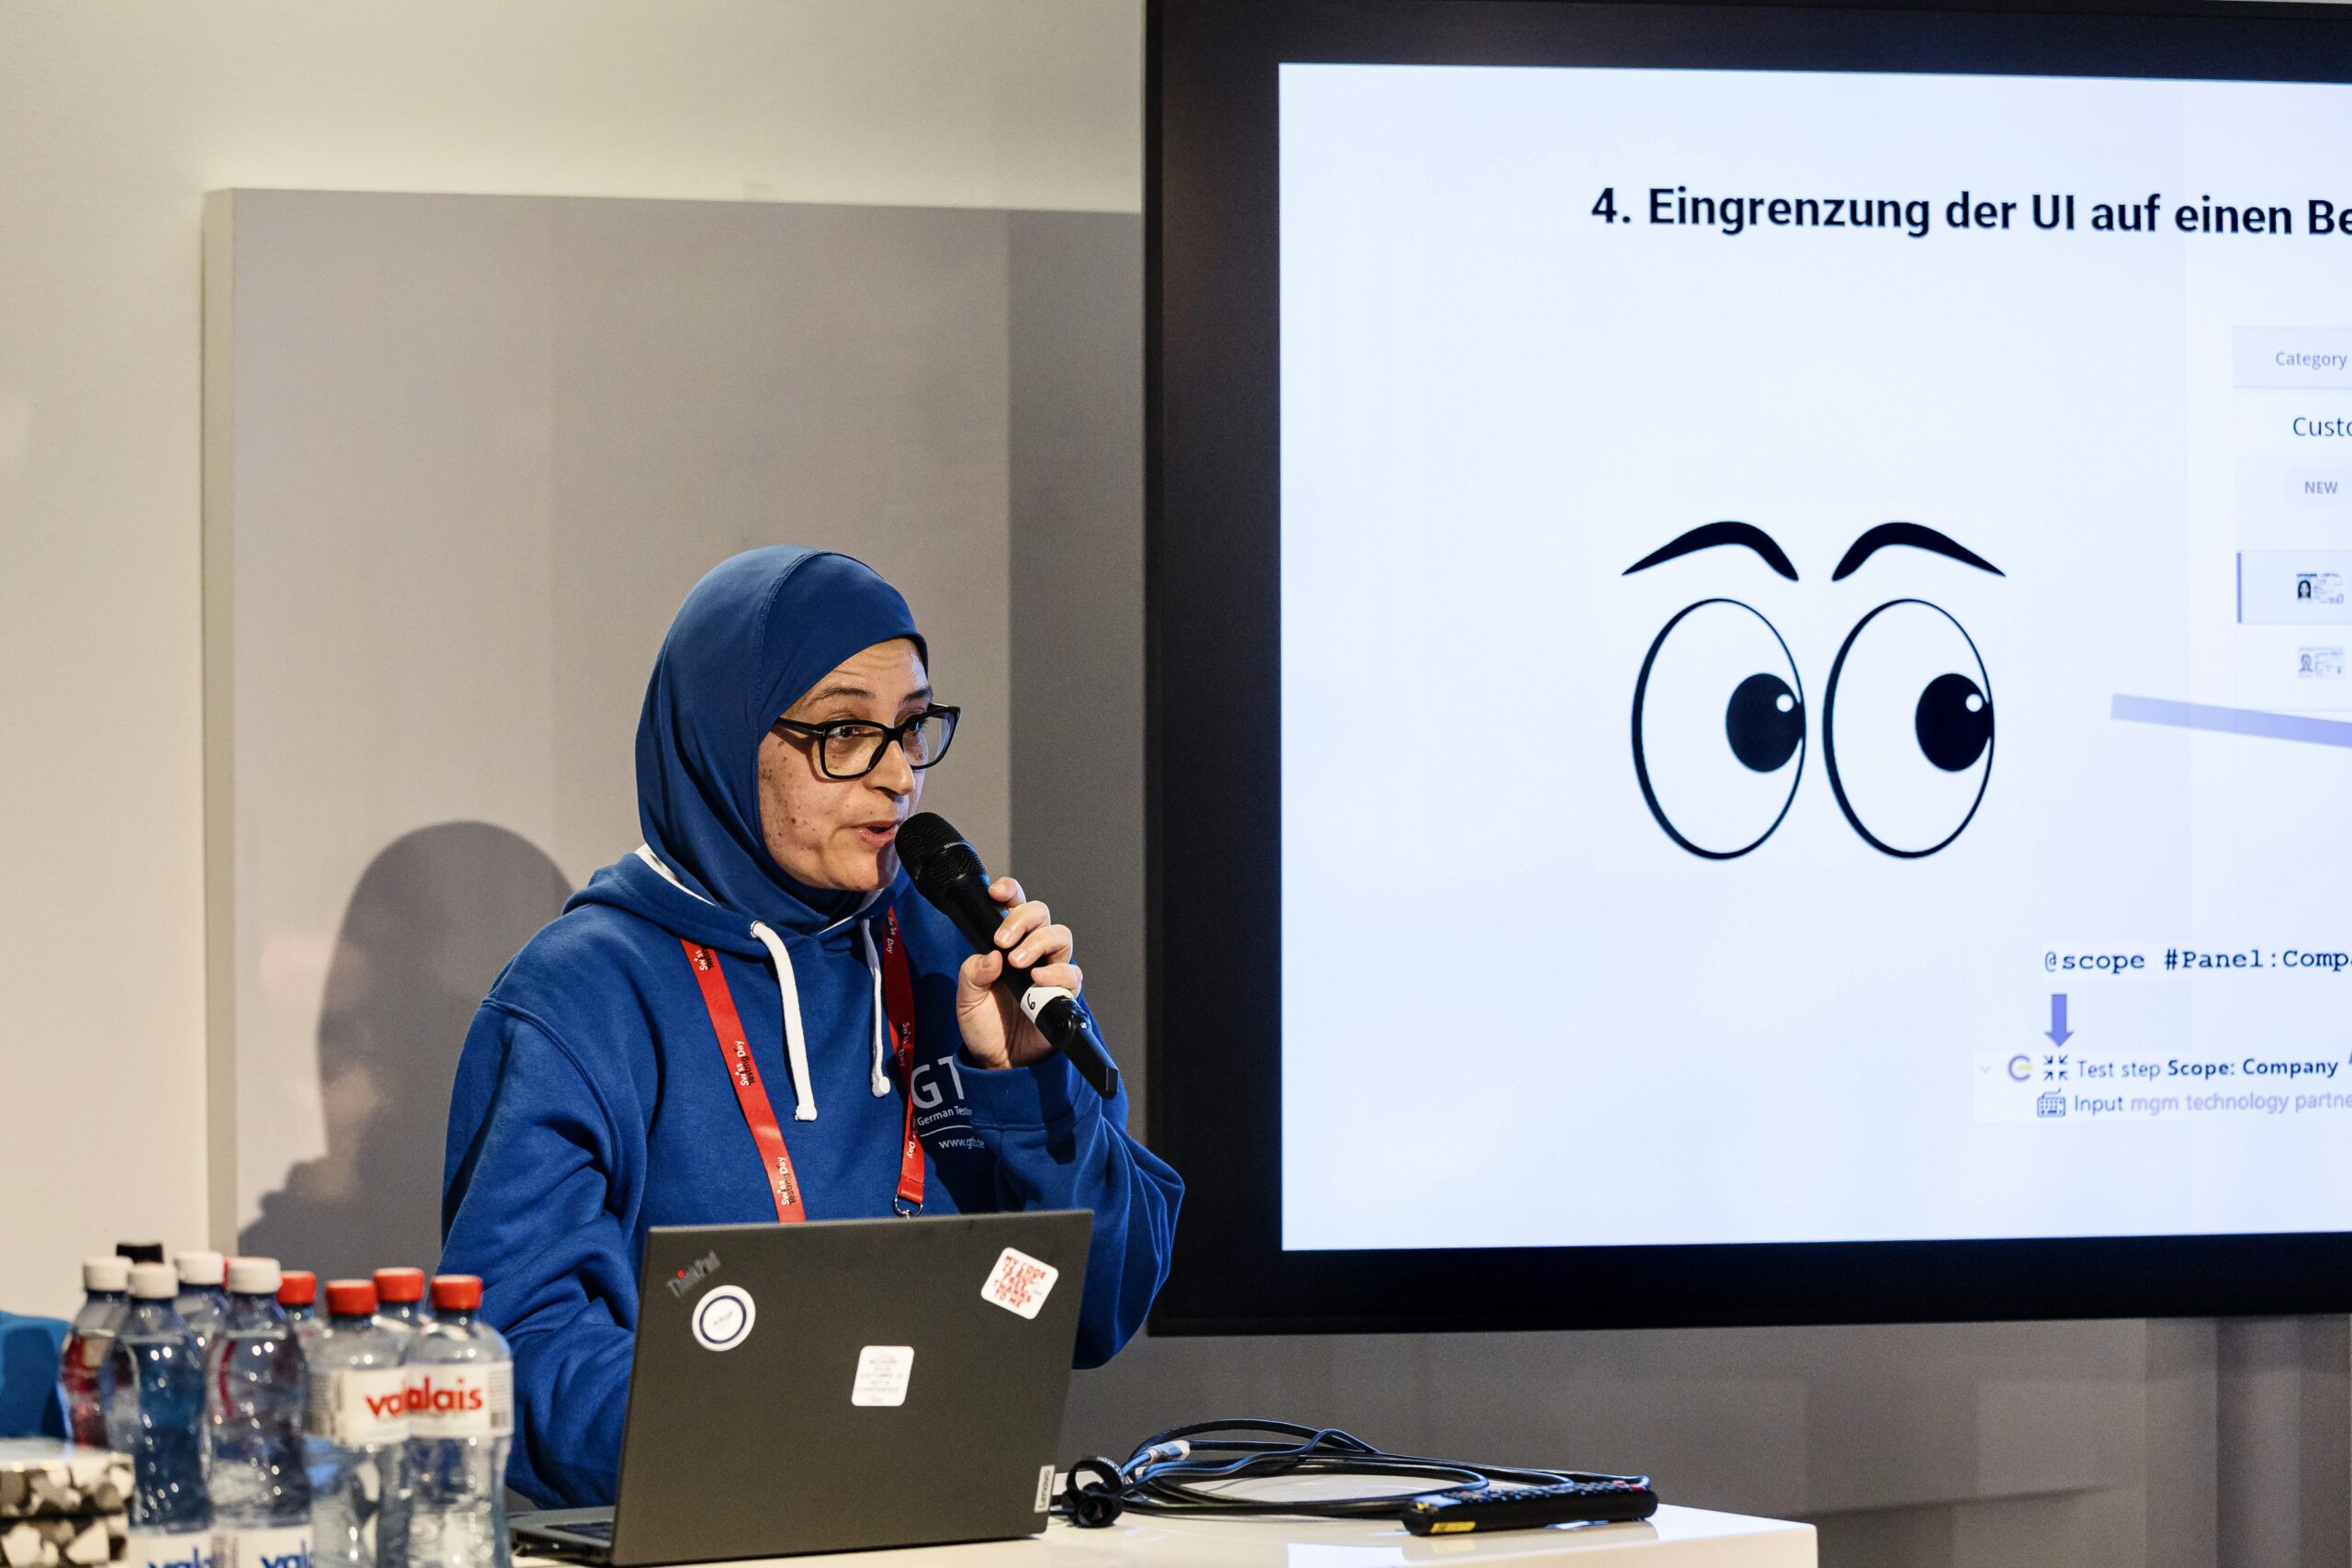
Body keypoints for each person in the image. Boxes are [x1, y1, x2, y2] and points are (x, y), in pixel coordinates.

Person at [438, 547, 1183, 1507]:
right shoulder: (580, 996)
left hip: (954, 1526)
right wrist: (780, 1420)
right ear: (722, 738)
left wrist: (1032, 1089)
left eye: (910, 727)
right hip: (710, 1534)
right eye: (844, 732)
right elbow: (514, 1350)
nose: (896, 777)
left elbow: (1101, 1307)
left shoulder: (958, 948)